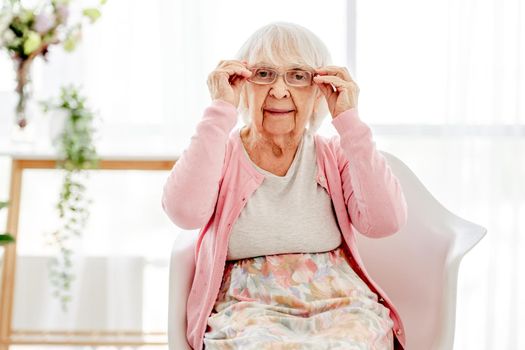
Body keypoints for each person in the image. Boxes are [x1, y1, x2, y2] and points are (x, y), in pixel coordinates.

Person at [162, 21, 408, 350]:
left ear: (319, 87)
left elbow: (385, 222)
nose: (279, 91)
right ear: (242, 84)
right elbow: (184, 213)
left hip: (341, 306)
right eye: (264, 74)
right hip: (245, 309)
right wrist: (220, 111)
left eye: (298, 76)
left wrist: (349, 121)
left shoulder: (333, 154)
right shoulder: (222, 152)